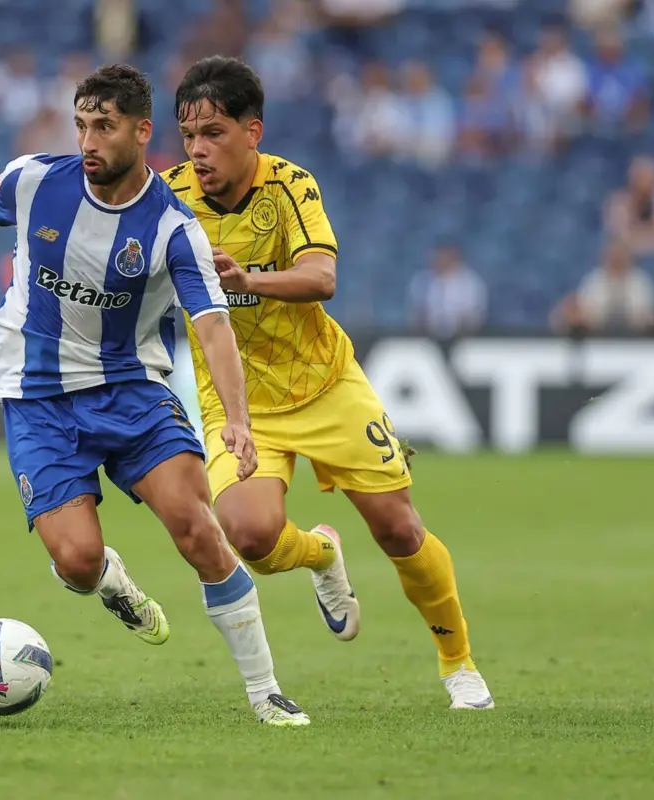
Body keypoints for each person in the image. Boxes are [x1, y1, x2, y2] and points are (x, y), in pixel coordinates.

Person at [0, 64, 309, 727]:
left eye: (104, 126)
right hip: (37, 395)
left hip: (131, 390)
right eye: (81, 124)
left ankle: (265, 692)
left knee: (199, 528)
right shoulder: (34, 180)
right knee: (78, 563)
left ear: (141, 132)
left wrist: (239, 421)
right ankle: (106, 578)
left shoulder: (173, 229)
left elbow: (213, 327)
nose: (88, 140)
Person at [163, 56, 493, 710]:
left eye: (214, 133)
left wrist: (247, 281)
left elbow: (322, 278)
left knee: (399, 530)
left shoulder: (290, 187)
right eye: (188, 133)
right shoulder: (167, 199)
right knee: (252, 537)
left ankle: (459, 665)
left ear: (252, 132)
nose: (198, 148)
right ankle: (320, 556)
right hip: (238, 398)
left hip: (324, 385)